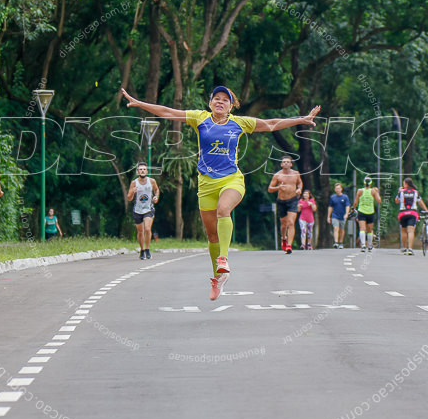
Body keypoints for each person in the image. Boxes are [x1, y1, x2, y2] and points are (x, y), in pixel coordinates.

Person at [121, 85, 320, 300]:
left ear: (231, 106)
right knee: (212, 235)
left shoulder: (240, 123)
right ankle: (218, 278)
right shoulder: (200, 118)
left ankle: (223, 259)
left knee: (223, 210)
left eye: (225, 100)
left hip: (231, 179)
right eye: (216, 98)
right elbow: (169, 112)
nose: (220, 102)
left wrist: (302, 119)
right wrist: (141, 104)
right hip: (206, 184)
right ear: (210, 103)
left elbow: (271, 124)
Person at [268, 156, 303, 254]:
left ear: (291, 164)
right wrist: (278, 187)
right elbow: (270, 189)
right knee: (284, 224)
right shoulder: (277, 175)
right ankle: (284, 238)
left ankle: (289, 245)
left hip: (293, 200)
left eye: (288, 162)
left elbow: (300, 183)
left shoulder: (296, 174)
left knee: (291, 222)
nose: (286, 163)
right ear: (281, 164)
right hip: (281, 201)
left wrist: (299, 189)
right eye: (284, 162)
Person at [126, 162, 159, 259]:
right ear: (137, 171)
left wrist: (156, 196)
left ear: (147, 171)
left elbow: (156, 190)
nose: (142, 171)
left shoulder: (152, 181)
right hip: (137, 210)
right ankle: (142, 250)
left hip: (148, 209)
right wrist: (132, 192)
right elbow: (129, 198)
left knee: (147, 229)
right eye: (140, 169)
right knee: (140, 232)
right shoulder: (134, 183)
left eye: (144, 169)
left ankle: (148, 249)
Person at [395, 176, 428, 255]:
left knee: (403, 231)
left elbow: (396, 201)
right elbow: (420, 202)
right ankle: (410, 249)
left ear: (406, 184)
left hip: (403, 213)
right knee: (410, 231)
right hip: (412, 213)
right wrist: (426, 210)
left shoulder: (401, 192)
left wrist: (399, 191)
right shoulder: (415, 192)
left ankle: (404, 248)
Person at [353, 177, 381, 252]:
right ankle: (369, 245)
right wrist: (377, 192)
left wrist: (353, 208)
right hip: (370, 212)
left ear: (364, 183)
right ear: (371, 183)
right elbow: (379, 200)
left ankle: (363, 245)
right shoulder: (373, 191)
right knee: (369, 230)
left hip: (361, 211)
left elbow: (356, 202)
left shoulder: (360, 191)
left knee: (362, 228)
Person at [327, 182, 351, 248]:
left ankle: (341, 242)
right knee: (335, 228)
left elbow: (347, 206)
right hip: (335, 215)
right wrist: (328, 216)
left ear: (341, 189)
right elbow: (330, 207)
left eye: (339, 188)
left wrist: (346, 213)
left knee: (342, 229)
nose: (337, 190)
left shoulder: (345, 197)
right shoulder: (332, 197)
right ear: (335, 189)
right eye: (336, 188)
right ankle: (336, 242)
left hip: (342, 215)